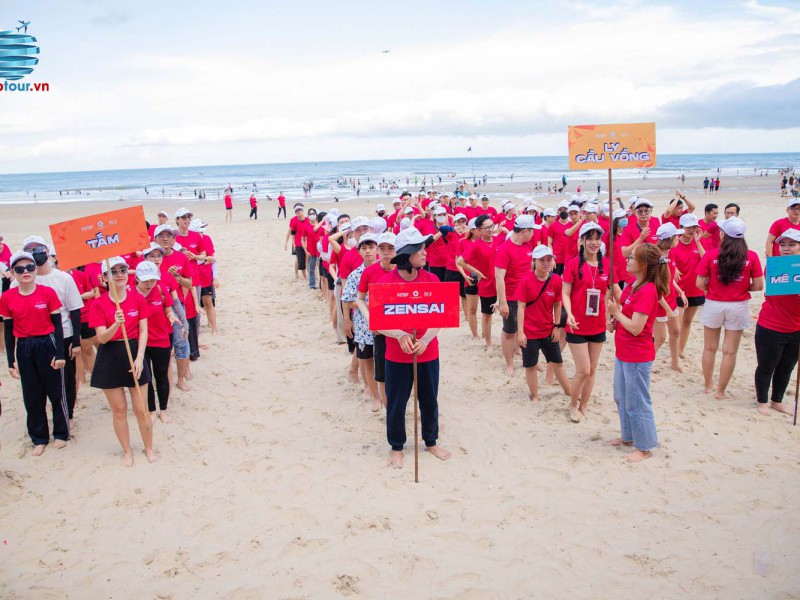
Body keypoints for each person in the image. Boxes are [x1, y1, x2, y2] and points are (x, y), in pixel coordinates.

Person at [377, 228, 451, 469]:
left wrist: (426, 339)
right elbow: (378, 323)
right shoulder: (386, 283)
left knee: (429, 399)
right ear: (407, 254)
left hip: (427, 351)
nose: (425, 254)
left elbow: (440, 317)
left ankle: (431, 441)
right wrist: (398, 335)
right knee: (397, 402)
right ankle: (396, 446)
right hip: (396, 355)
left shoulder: (432, 280)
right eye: (420, 250)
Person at [90, 256, 156, 467]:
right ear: (104, 277)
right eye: (114, 271)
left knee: (141, 408)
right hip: (110, 356)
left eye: (122, 270)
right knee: (119, 410)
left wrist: (139, 358)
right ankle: (127, 451)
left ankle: (148, 447)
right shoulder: (98, 304)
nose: (119, 275)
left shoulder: (137, 298)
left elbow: (144, 330)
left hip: (135, 352)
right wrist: (116, 324)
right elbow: (101, 338)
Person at [606, 244, 670, 463]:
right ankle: (628, 436)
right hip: (623, 350)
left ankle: (645, 446)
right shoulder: (633, 285)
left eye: (632, 257)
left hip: (638, 354)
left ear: (643, 264)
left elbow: (636, 327)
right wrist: (615, 320)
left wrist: (618, 315)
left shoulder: (648, 290)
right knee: (621, 397)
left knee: (637, 401)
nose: (627, 259)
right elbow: (624, 313)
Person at [0, 251, 68, 455]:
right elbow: (9, 332)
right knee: (31, 394)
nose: (26, 272)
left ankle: (61, 434)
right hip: (24, 347)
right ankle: (39, 437)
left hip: (47, 343)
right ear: (13, 272)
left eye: (30, 267)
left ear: (35, 269)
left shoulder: (47, 293)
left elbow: (58, 326)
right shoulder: (7, 297)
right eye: (20, 269)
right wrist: (11, 359)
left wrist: (60, 354)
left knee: (56, 391)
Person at [13, 237, 83, 426]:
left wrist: (76, 341)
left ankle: (67, 415)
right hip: (35, 338)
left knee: (67, 379)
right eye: (31, 250)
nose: (36, 252)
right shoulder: (19, 280)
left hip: (65, 334)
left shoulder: (63, 278)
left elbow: (75, 309)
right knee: (38, 382)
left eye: (39, 249)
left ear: (47, 251)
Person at [696, 218, 764, 400]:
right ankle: (720, 391)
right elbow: (758, 286)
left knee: (709, 348)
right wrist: (742, 287)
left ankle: (708, 385)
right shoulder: (751, 256)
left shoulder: (711, 255)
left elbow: (699, 282)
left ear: (722, 234)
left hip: (714, 303)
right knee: (730, 351)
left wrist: (713, 288)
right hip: (738, 305)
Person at [562, 222, 613, 422]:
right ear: (581, 241)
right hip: (577, 324)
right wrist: (569, 313)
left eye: (597, 239)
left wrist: (612, 315)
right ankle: (572, 404)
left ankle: (584, 404)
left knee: (592, 368)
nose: (594, 243)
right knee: (583, 370)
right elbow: (565, 293)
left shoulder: (606, 264)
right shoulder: (573, 264)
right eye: (589, 238)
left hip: (598, 323)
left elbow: (608, 293)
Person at [515, 245, 571, 402]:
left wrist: (557, 326)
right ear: (534, 261)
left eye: (549, 259)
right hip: (530, 332)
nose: (546, 263)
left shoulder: (556, 280)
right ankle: (535, 395)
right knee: (531, 365)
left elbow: (558, 304)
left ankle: (569, 392)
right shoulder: (526, 280)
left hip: (548, 330)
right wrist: (520, 332)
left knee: (557, 362)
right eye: (542, 260)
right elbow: (521, 307)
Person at [754, 228, 800, 416]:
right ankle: (762, 401)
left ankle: (777, 400)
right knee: (767, 365)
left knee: (787, 366)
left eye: (792, 244)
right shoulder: (774, 266)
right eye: (782, 244)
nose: (786, 248)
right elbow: (779, 290)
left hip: (796, 327)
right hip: (771, 325)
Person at [356, 232, 397, 409]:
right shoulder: (370, 271)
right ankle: (388, 409)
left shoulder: (405, 269)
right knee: (382, 373)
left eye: (390, 248)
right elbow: (360, 299)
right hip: (380, 330)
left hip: (402, 328)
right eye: (382, 248)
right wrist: (371, 319)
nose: (386, 252)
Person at [135, 261, 179, 424]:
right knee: (146, 377)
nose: (149, 284)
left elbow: (168, 308)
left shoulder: (160, 290)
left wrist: (171, 316)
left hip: (160, 339)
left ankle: (164, 409)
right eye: (146, 280)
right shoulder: (131, 294)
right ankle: (152, 409)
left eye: (152, 280)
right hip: (140, 342)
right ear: (137, 278)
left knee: (161, 376)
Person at [495, 214, 539, 376]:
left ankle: (531, 361)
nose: (534, 234)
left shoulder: (528, 246)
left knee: (530, 330)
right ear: (525, 231)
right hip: (512, 298)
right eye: (532, 230)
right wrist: (503, 302)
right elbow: (499, 277)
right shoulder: (505, 249)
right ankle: (510, 364)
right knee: (509, 331)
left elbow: (529, 269)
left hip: (528, 297)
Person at [342, 234, 381, 410]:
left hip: (386, 325)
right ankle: (373, 395)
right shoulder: (355, 275)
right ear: (359, 251)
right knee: (367, 361)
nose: (368, 251)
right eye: (364, 248)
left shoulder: (388, 270)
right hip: (364, 326)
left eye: (371, 247)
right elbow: (347, 299)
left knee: (386, 361)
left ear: (377, 249)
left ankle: (383, 393)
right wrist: (348, 320)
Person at [153, 226, 193, 390]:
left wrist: (176, 277)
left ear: (174, 239)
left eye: (169, 236)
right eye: (161, 236)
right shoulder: (151, 259)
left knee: (180, 342)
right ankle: (163, 380)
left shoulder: (181, 258)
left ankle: (181, 379)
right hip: (157, 308)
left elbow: (189, 283)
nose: (165, 239)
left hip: (176, 304)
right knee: (162, 345)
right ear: (155, 239)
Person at [457, 214, 499, 351]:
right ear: (479, 230)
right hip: (483, 283)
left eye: (491, 226)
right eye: (486, 228)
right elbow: (460, 261)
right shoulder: (476, 245)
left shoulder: (499, 241)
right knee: (484, 314)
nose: (490, 230)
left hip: (498, 283)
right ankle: (487, 343)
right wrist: (478, 272)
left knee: (496, 313)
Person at [652, 223, 687, 372]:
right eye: (676, 236)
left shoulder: (670, 253)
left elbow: (670, 277)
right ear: (669, 238)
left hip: (671, 298)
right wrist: (668, 310)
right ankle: (647, 366)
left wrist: (680, 291)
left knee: (676, 331)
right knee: (659, 338)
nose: (678, 238)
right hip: (660, 303)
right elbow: (656, 288)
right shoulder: (656, 258)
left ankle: (675, 361)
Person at [671, 213, 706, 357]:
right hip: (678, 289)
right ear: (681, 227)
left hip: (695, 289)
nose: (691, 230)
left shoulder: (697, 243)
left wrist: (698, 242)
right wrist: (674, 268)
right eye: (688, 227)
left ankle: (680, 350)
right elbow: (667, 260)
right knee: (677, 325)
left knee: (687, 322)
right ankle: (674, 352)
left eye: (694, 227)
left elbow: (706, 260)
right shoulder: (675, 243)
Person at [286, 204, 309, 281]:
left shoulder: (307, 219)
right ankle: (296, 273)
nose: (299, 213)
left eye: (300, 211)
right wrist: (291, 243)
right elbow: (291, 232)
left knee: (306, 258)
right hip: (297, 243)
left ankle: (306, 273)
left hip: (306, 242)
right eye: (297, 211)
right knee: (298, 259)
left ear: (303, 211)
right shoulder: (293, 220)